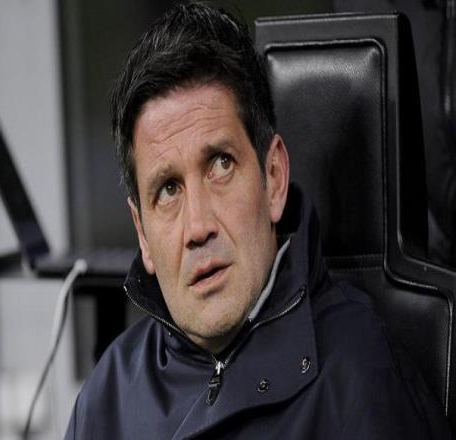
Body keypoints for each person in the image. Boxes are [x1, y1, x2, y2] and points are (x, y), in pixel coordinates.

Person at [65, 2, 452, 438]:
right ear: (142, 233)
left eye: (220, 165)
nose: (198, 228)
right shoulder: (107, 398)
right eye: (168, 190)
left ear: (274, 178)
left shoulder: (361, 382)